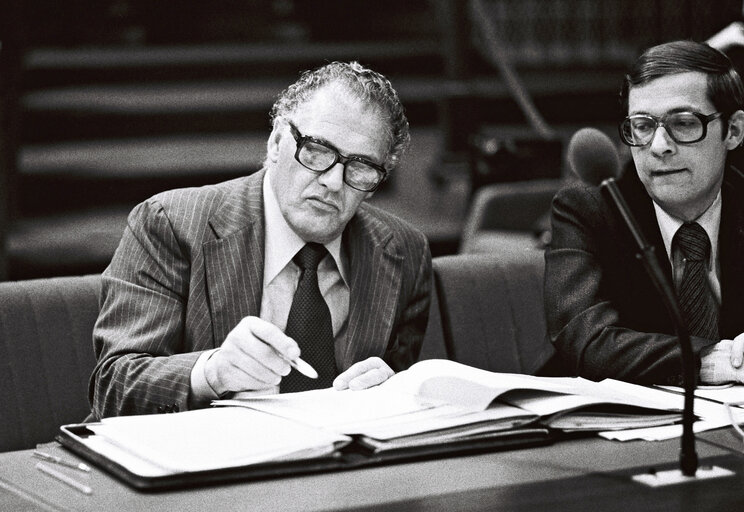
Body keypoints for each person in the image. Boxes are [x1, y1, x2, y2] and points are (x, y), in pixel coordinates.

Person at [89, 61, 432, 418]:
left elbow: (395, 397)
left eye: (361, 166)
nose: (333, 181)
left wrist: (392, 392)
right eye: (316, 150)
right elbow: (113, 387)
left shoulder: (405, 251)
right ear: (276, 142)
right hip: (203, 460)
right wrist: (212, 372)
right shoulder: (170, 224)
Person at [545, 40, 744, 385]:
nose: (658, 146)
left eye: (683, 123)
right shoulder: (589, 211)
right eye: (642, 125)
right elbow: (587, 341)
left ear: (734, 131)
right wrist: (716, 361)